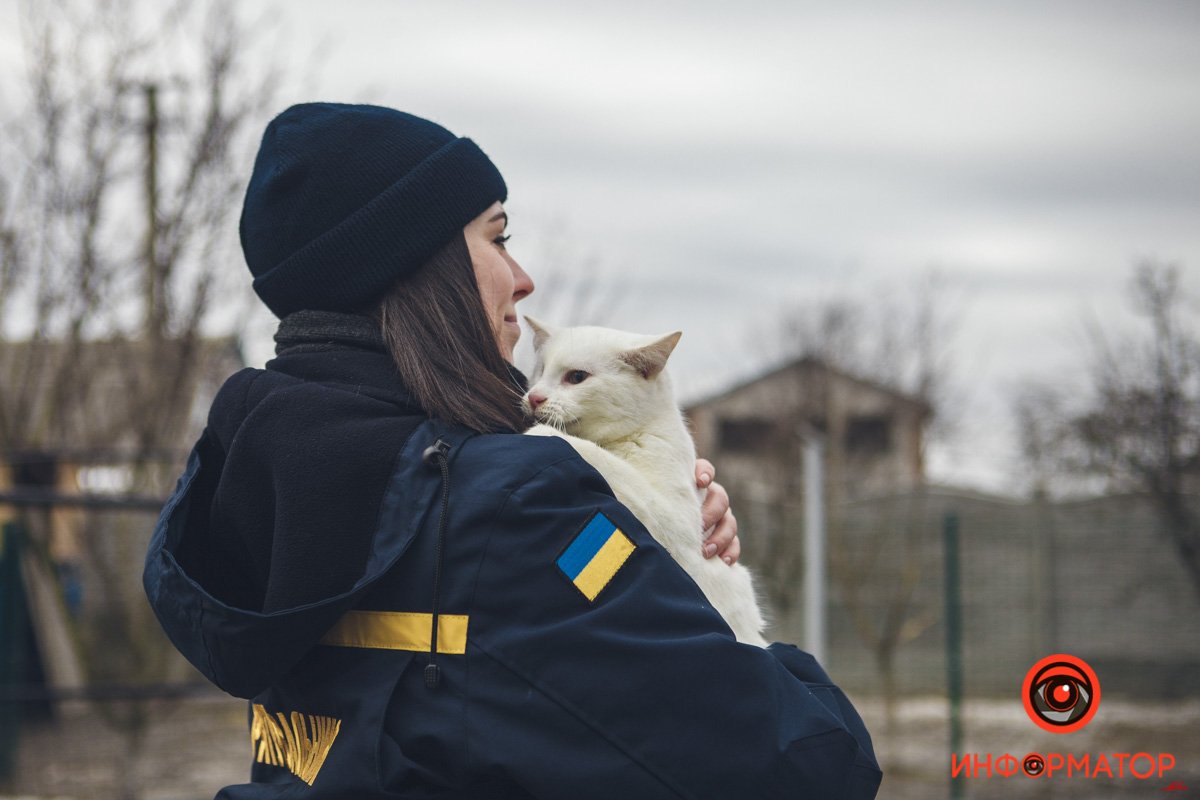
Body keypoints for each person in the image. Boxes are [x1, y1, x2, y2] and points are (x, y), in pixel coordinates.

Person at [144, 103, 882, 799]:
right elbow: (810, 765)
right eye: (498, 237)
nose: (523, 279)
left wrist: (651, 539)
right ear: (413, 265)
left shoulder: (259, 472)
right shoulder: (519, 505)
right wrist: (696, 594)